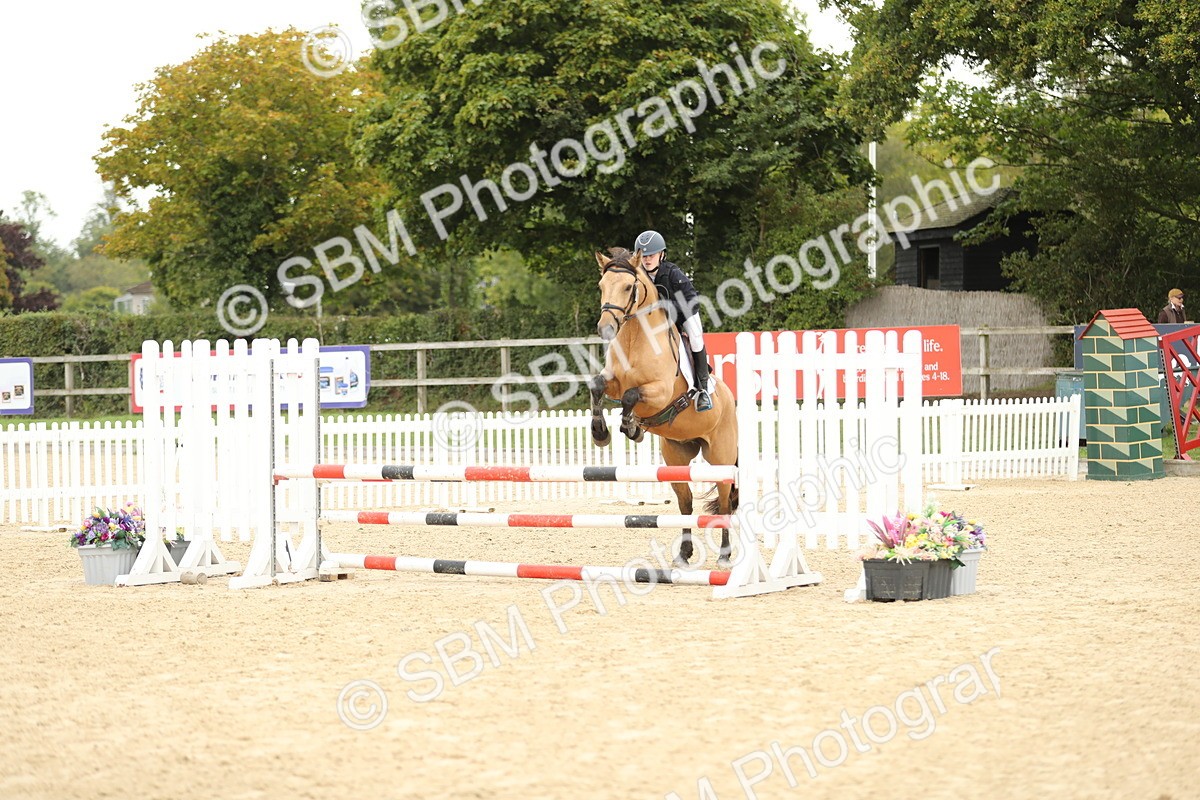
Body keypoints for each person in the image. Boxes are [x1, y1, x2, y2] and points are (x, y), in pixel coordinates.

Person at [632, 230, 713, 412]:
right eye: (643, 256)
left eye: (651, 255)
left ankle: (703, 390)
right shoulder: (639, 277)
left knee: (695, 337)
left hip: (683, 314)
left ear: (661, 254)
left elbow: (693, 302)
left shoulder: (673, 273)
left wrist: (666, 306)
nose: (646, 259)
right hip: (656, 323)